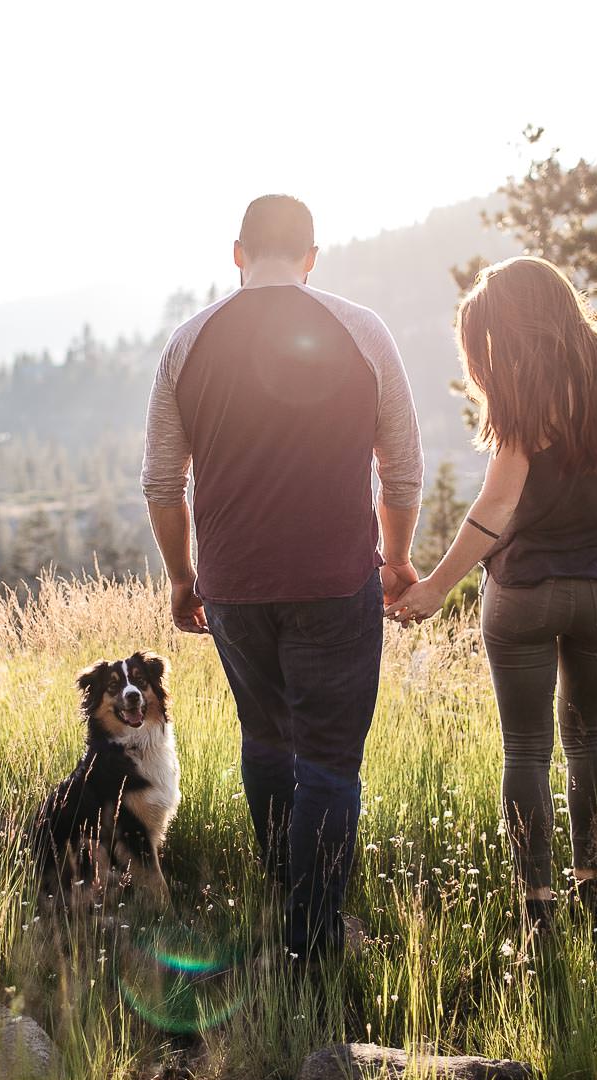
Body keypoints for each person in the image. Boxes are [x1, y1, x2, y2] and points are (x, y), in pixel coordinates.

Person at [142, 194, 423, 960]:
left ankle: (280, 902)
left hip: (233, 586)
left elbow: (162, 484)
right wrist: (396, 559)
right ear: (310, 257)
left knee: (266, 741)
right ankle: (314, 942)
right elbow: (401, 467)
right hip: (337, 581)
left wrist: (182, 578)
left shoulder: (187, 344)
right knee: (330, 760)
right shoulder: (363, 331)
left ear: (238, 252)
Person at [387, 255, 597, 935]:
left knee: (525, 750)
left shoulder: (529, 392)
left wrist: (434, 588)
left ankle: (537, 904)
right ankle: (593, 887)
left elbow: (496, 508)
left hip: (522, 596)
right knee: (590, 739)